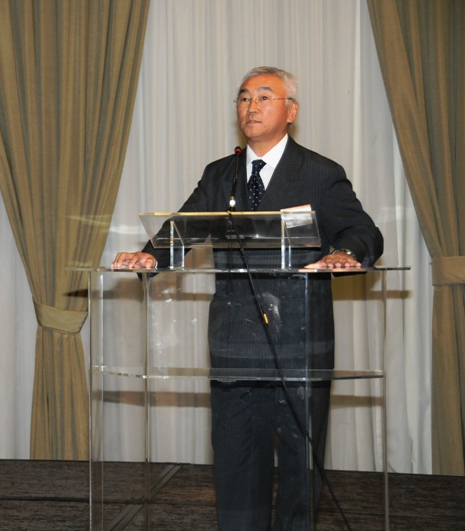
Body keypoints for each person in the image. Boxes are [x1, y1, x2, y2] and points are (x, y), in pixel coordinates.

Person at [112, 66, 384, 530]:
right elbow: (184, 227)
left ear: (290, 111)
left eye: (263, 97)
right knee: (236, 459)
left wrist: (345, 252)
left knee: (300, 463)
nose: (251, 107)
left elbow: (364, 231)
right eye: (243, 98)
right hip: (234, 339)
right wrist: (150, 255)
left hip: (300, 338)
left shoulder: (320, 173)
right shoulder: (221, 174)